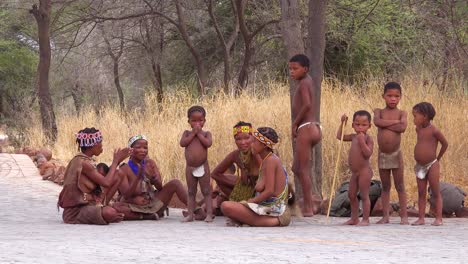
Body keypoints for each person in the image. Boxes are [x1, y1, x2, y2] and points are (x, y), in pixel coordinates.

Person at [58, 127, 130, 225]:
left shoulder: (85, 160)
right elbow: (106, 183)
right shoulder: (83, 163)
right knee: (110, 213)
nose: (102, 145)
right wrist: (116, 161)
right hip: (75, 211)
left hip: (90, 204)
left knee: (118, 174)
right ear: (92, 145)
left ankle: (103, 206)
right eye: (100, 142)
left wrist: (116, 163)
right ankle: (104, 210)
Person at [221, 127, 291, 227]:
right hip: (266, 207)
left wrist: (249, 202)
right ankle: (251, 220)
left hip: (275, 210)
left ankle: (273, 221)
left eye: (254, 141)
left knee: (226, 206)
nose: (251, 144)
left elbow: (269, 191)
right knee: (228, 206)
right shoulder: (265, 160)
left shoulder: (271, 161)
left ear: (263, 145)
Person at [114, 135, 188, 220]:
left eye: (145, 148)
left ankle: (196, 210)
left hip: (154, 204)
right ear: (131, 150)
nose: (143, 151)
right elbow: (126, 195)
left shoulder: (150, 163)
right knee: (117, 207)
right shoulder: (124, 169)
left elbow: (160, 187)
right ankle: (147, 216)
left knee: (175, 183)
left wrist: (152, 177)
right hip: (136, 208)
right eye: (138, 147)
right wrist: (138, 176)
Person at [288, 54, 322, 217]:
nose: (292, 72)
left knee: (303, 169)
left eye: (295, 69)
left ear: (305, 69)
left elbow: (308, 104)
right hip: (311, 127)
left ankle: (309, 207)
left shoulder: (304, 84)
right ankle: (307, 201)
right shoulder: (306, 82)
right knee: (297, 168)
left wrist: (295, 123)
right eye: (290, 69)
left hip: (306, 128)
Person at [373, 82, 409, 225]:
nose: (393, 99)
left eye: (396, 96)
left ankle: (404, 216)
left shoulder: (403, 113)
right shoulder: (378, 111)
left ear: (400, 97)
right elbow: (376, 122)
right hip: (383, 154)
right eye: (390, 96)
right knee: (386, 186)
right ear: (383, 96)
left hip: (396, 153)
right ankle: (386, 216)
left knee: (400, 185)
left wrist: (385, 122)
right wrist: (394, 123)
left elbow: (403, 127)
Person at [411, 102, 448, 226]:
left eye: (415, 116)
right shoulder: (418, 129)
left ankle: (439, 218)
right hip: (420, 166)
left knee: (435, 191)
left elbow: (445, 143)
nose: (413, 119)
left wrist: (438, 158)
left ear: (425, 117)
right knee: (421, 192)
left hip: (432, 164)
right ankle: (421, 218)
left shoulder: (434, 130)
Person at [211, 122, 261, 211]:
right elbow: (215, 174)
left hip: (261, 192)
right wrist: (238, 185)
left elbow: (268, 176)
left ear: (253, 138)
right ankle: (238, 202)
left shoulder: (257, 153)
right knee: (221, 181)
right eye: (238, 139)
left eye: (247, 138)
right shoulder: (236, 155)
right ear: (235, 140)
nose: (243, 142)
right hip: (245, 189)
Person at [337, 111, 374, 226]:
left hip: (364, 172)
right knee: (351, 195)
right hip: (355, 173)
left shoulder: (368, 139)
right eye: (357, 125)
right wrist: (343, 123)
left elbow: (368, 153)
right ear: (353, 125)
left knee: (364, 195)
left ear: (369, 126)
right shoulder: (353, 137)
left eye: (364, 125)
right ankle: (354, 218)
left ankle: (366, 219)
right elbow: (339, 136)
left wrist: (362, 141)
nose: (360, 128)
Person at [180, 106, 213, 222]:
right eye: (194, 121)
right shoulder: (186, 133)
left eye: (200, 120)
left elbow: (208, 144)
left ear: (204, 121)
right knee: (190, 191)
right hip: (190, 167)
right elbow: (183, 143)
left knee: (206, 191)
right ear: (188, 121)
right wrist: (193, 133)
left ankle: (209, 214)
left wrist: (198, 134)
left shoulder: (206, 134)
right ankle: (190, 214)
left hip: (203, 166)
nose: (197, 123)